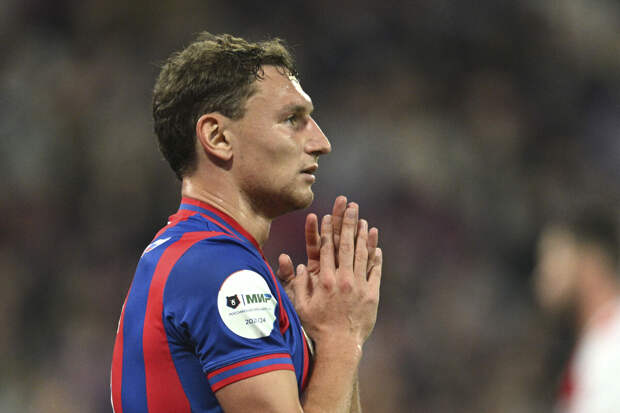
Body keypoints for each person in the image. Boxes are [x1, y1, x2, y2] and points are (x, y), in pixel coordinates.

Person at [110, 32, 383, 413]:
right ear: (218, 137)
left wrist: (329, 342)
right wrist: (342, 336)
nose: (321, 142)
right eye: (292, 119)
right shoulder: (216, 268)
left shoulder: (195, 256)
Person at [534, 207, 620, 413]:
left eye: (552, 257)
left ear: (589, 264)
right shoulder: (600, 341)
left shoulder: (612, 345)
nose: (541, 273)